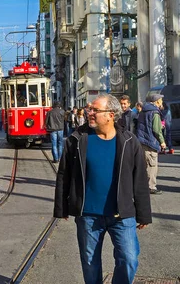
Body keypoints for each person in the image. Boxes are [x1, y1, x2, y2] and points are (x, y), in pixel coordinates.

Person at [54, 93, 151, 284]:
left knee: (129, 259)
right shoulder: (76, 140)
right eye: (90, 109)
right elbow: (64, 174)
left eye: (95, 110)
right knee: (90, 264)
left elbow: (139, 179)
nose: (89, 112)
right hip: (88, 215)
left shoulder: (130, 142)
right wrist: (61, 207)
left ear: (111, 115)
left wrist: (144, 213)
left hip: (121, 214)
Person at [136, 94, 166, 195]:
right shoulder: (155, 113)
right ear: (157, 102)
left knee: (145, 164)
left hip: (142, 141)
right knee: (152, 165)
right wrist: (162, 141)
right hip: (150, 141)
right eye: (161, 100)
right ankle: (151, 186)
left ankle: (144, 185)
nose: (162, 102)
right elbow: (157, 130)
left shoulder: (143, 111)